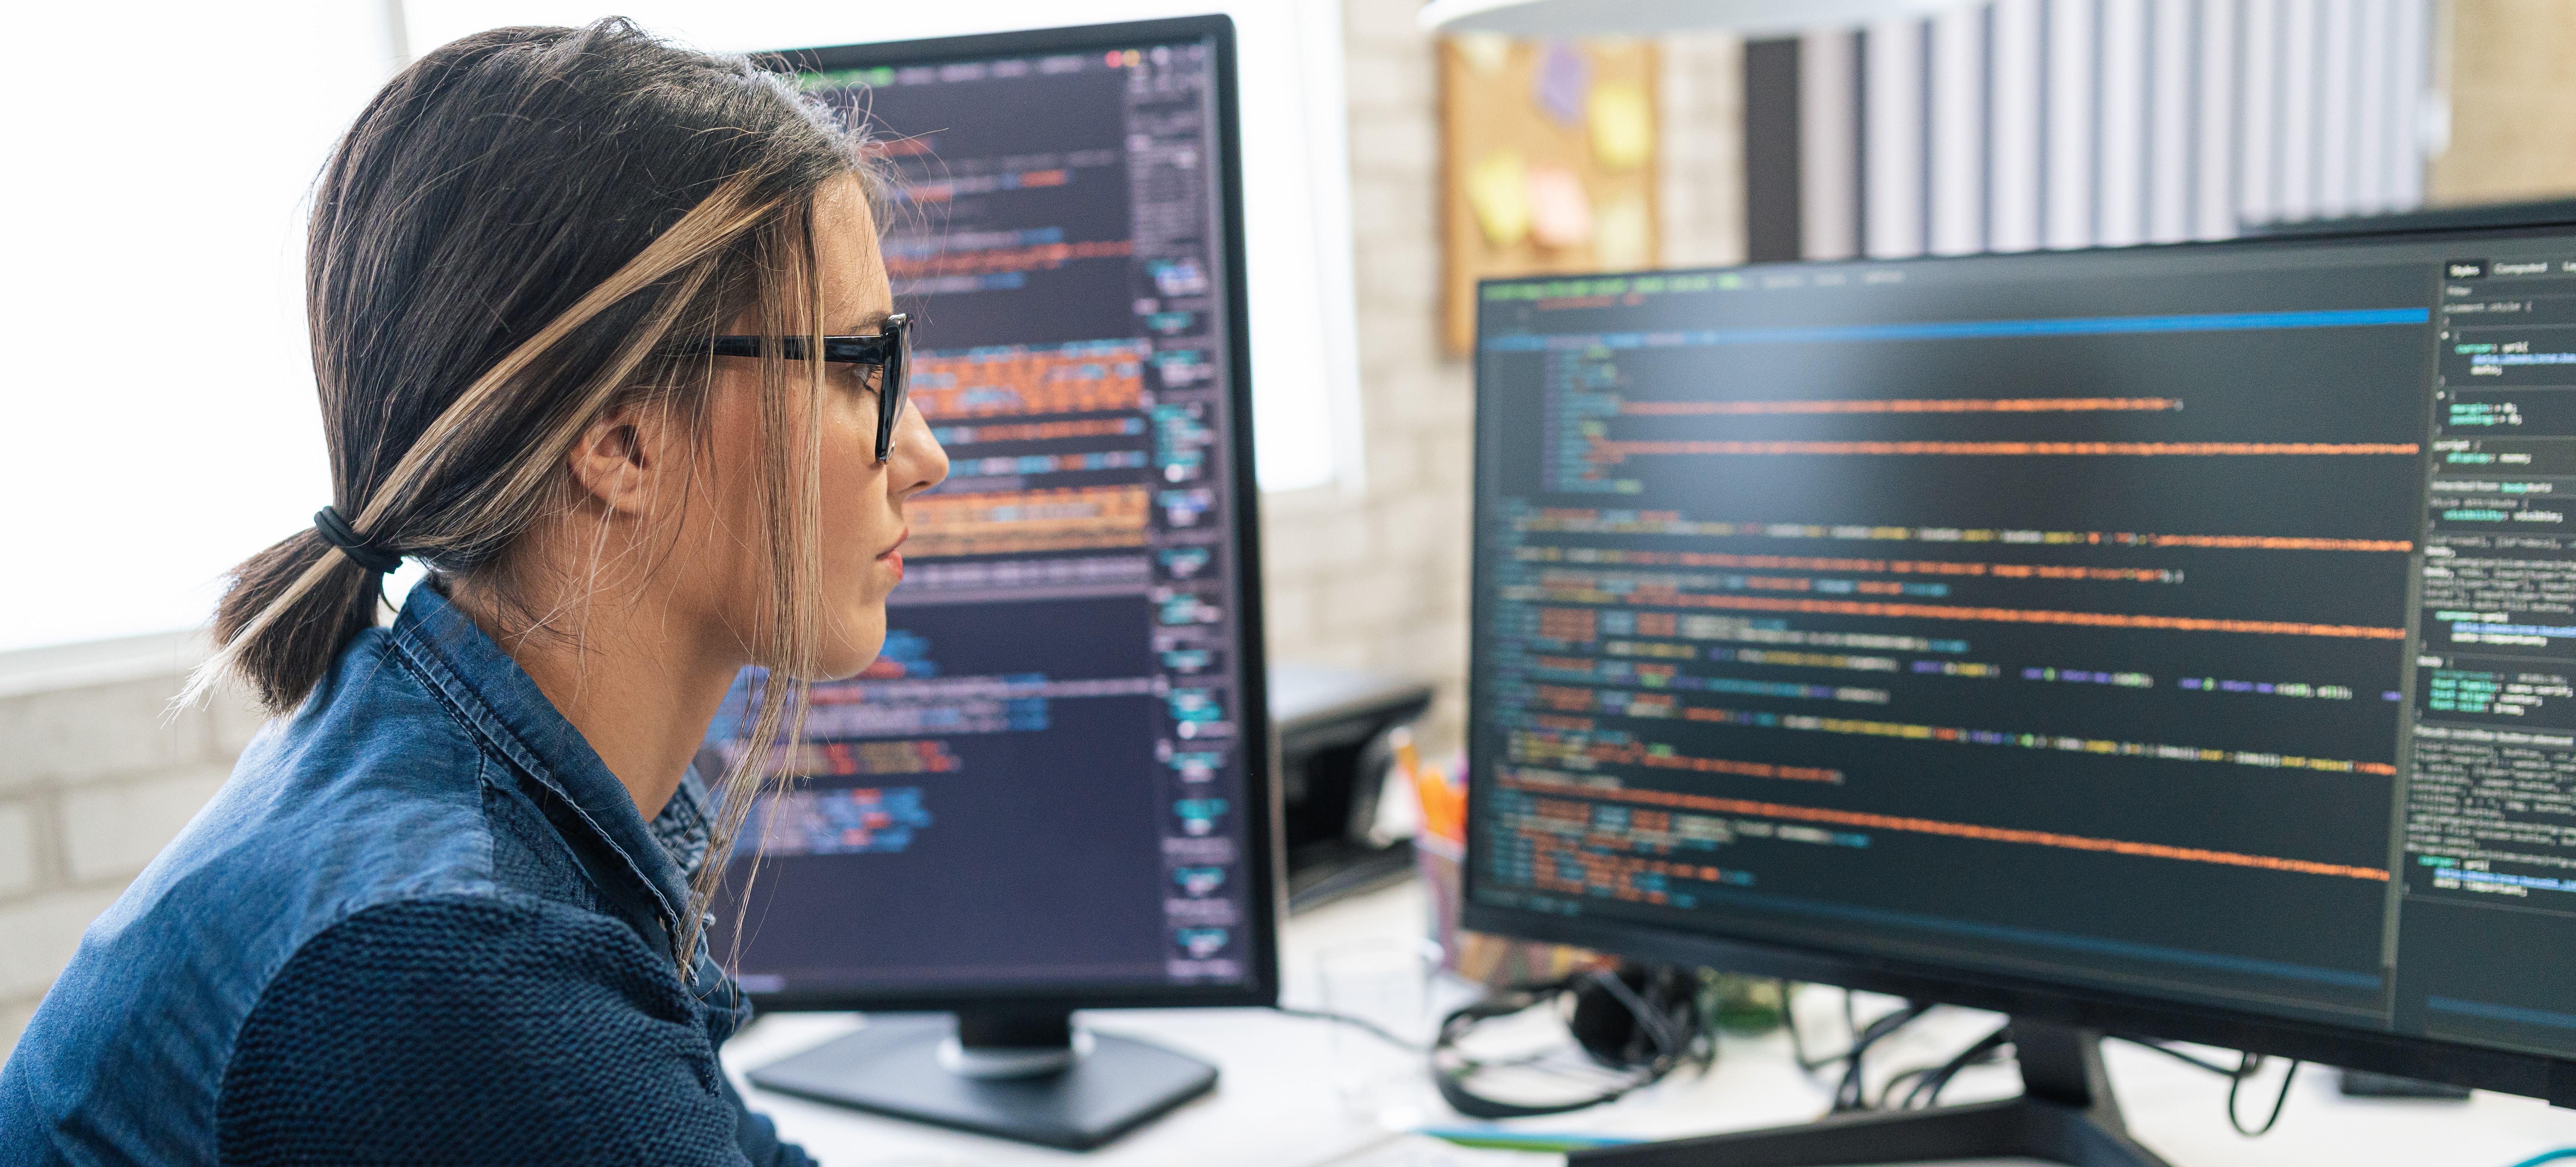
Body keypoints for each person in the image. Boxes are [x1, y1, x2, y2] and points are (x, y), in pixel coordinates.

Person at [0, 19, 947, 1164]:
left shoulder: (454, 765)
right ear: (620, 440)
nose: (923, 454)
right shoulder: (457, 967)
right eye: (860, 367)